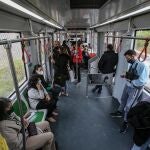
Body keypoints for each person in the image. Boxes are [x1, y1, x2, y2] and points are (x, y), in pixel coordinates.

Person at [110, 50, 149, 133]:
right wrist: (125, 75)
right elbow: (132, 74)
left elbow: (142, 81)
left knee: (128, 106)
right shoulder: (133, 64)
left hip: (134, 88)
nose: (127, 60)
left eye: (128, 58)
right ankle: (119, 112)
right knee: (123, 99)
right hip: (127, 86)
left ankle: (125, 122)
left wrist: (130, 81)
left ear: (133, 56)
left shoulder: (142, 66)